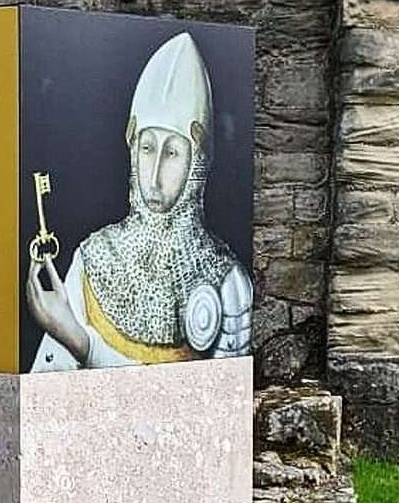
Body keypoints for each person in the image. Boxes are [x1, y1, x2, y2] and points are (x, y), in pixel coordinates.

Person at [26, 30, 252, 371]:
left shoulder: (227, 282)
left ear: (197, 162)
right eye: (148, 148)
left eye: (173, 153)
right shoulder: (94, 260)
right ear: (133, 151)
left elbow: (211, 404)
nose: (155, 171)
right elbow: (49, 386)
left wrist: (82, 342)